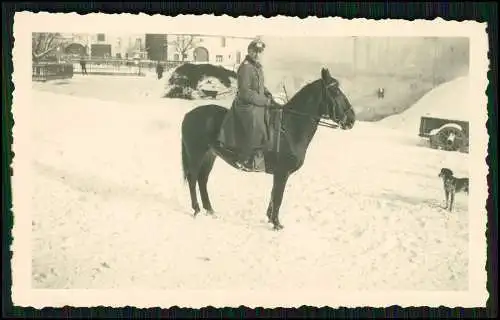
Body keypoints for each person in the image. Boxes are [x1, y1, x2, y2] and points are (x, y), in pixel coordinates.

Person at [217, 39, 281, 170]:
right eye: (254, 51)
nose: (257, 54)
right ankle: (244, 158)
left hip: (256, 101)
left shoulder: (257, 67)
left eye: (259, 52)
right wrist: (264, 101)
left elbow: (260, 87)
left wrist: (269, 95)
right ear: (249, 51)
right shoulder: (246, 67)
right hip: (246, 104)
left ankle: (263, 151)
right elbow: (245, 92)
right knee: (256, 123)